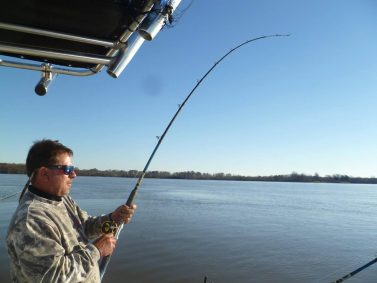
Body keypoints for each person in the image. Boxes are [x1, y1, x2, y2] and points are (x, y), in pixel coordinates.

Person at [6, 139, 137, 282]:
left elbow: (84, 226)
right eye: (67, 170)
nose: (74, 175)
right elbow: (53, 276)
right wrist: (97, 251)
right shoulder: (30, 219)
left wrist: (113, 218)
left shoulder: (62, 199)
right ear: (44, 173)